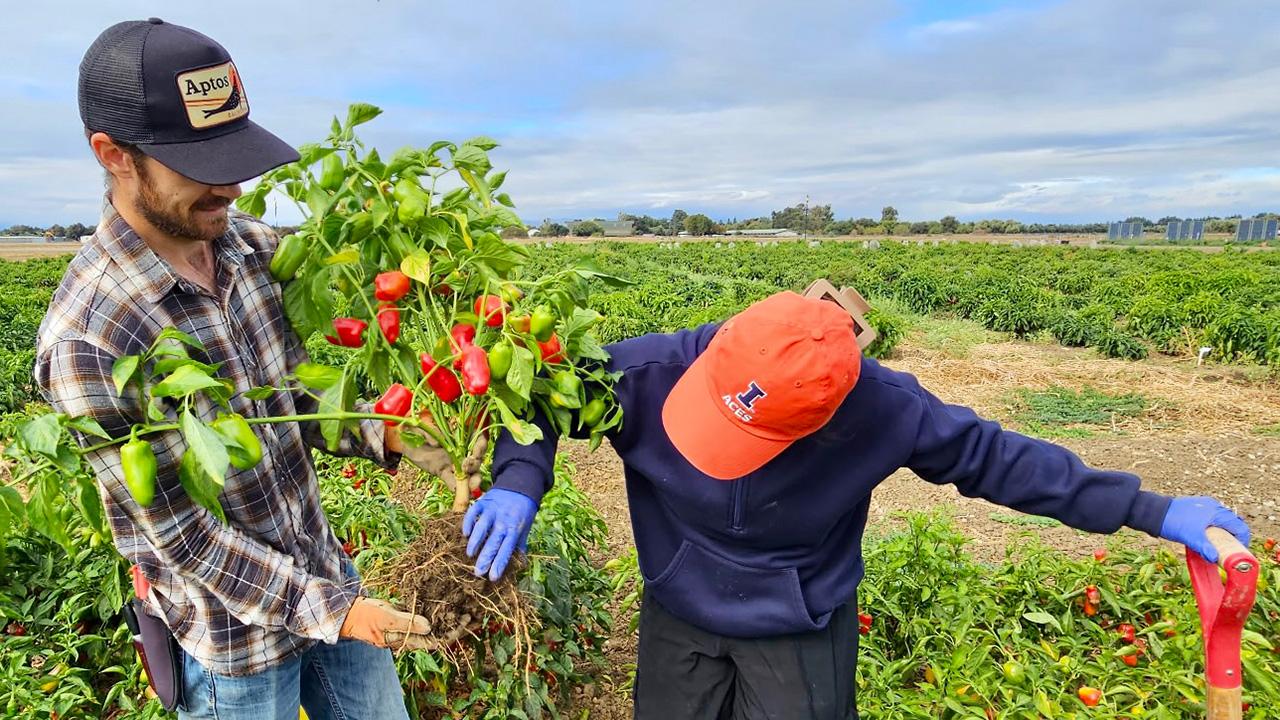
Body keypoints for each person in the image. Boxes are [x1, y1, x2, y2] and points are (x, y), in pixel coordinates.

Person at [464, 290, 1251, 719]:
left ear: (825, 419)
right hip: (679, 607)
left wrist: (1150, 508)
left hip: (797, 625)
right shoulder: (650, 368)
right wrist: (520, 476)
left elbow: (1002, 462)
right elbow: (541, 396)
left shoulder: (882, 407)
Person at [34, 18, 463, 719]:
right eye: (198, 166)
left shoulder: (254, 250)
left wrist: (392, 438)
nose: (230, 185)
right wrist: (337, 612)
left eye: (233, 154)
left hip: (328, 574)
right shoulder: (91, 339)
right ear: (113, 154)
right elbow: (182, 538)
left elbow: (295, 396)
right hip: (233, 644)